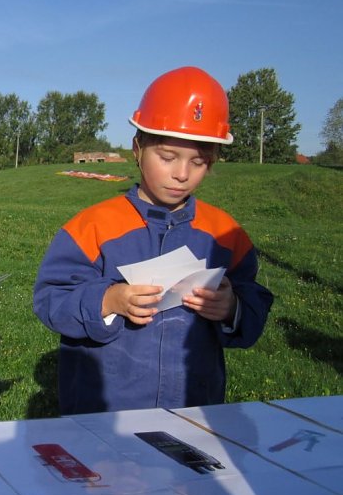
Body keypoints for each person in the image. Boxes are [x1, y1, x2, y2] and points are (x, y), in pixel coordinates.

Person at [33, 66, 273, 415]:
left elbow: (254, 303)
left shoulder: (225, 233)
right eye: (167, 157)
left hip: (194, 413)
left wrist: (233, 309)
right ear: (137, 149)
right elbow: (51, 300)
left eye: (199, 162)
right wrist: (108, 300)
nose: (181, 174)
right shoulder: (93, 226)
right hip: (103, 416)